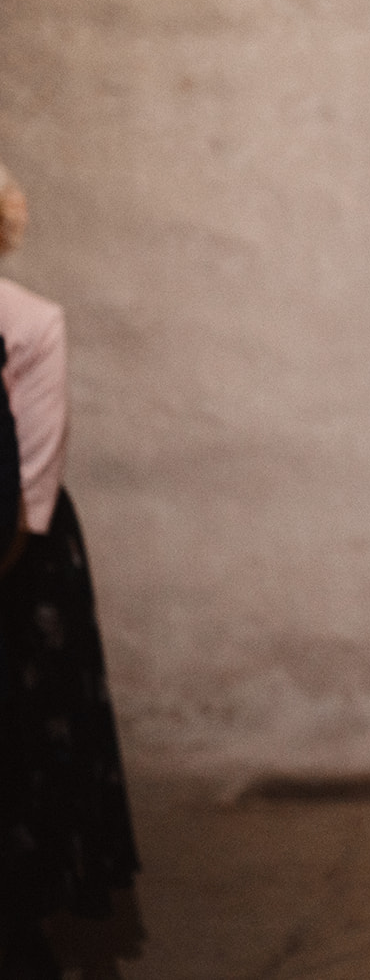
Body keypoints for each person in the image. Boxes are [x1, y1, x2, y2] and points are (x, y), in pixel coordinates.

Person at [0, 162, 140, 980]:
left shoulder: (30, 320)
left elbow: (31, 485)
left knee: (21, 745)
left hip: (16, 558)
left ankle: (23, 921)